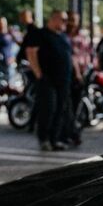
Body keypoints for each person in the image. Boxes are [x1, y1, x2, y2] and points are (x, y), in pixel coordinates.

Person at [26, 10, 74, 151]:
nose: (65, 23)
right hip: (48, 79)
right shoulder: (40, 34)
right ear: (53, 19)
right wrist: (38, 74)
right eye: (63, 20)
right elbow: (31, 52)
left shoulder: (63, 37)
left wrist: (76, 73)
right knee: (48, 109)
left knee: (60, 109)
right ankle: (44, 139)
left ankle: (55, 139)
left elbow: (69, 56)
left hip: (63, 79)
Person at [65, 12, 91, 146]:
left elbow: (88, 52)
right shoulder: (66, 36)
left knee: (76, 105)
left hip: (82, 73)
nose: (73, 23)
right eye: (71, 20)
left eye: (76, 20)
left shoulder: (82, 36)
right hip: (71, 74)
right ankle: (71, 133)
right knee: (70, 106)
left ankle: (73, 132)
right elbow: (72, 57)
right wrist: (77, 73)